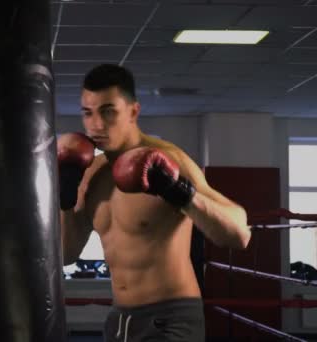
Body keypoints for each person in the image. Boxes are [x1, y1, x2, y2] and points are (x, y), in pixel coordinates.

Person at [57, 64, 251, 342]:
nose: (96, 124)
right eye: (88, 113)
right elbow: (67, 255)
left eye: (108, 111)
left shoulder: (168, 160)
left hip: (172, 318)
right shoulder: (88, 174)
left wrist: (181, 192)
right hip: (120, 319)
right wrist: (65, 199)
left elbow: (240, 234)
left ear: (133, 111)